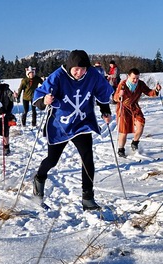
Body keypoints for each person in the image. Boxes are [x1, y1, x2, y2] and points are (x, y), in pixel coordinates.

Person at [31, 50, 113, 210]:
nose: (80, 72)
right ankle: (39, 178)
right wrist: (44, 100)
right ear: (69, 67)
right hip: (60, 124)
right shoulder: (58, 76)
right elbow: (39, 95)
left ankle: (88, 198)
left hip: (82, 122)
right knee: (52, 160)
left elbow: (101, 92)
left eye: (83, 69)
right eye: (76, 69)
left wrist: (105, 110)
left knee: (87, 159)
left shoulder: (92, 75)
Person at [114, 68, 161, 157]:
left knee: (141, 123)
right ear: (128, 77)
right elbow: (115, 98)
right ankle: (121, 149)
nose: (135, 80)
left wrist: (156, 90)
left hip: (134, 107)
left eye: (137, 78)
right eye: (133, 78)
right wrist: (119, 95)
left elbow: (149, 92)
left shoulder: (140, 84)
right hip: (123, 107)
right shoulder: (123, 84)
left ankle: (135, 142)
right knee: (124, 131)